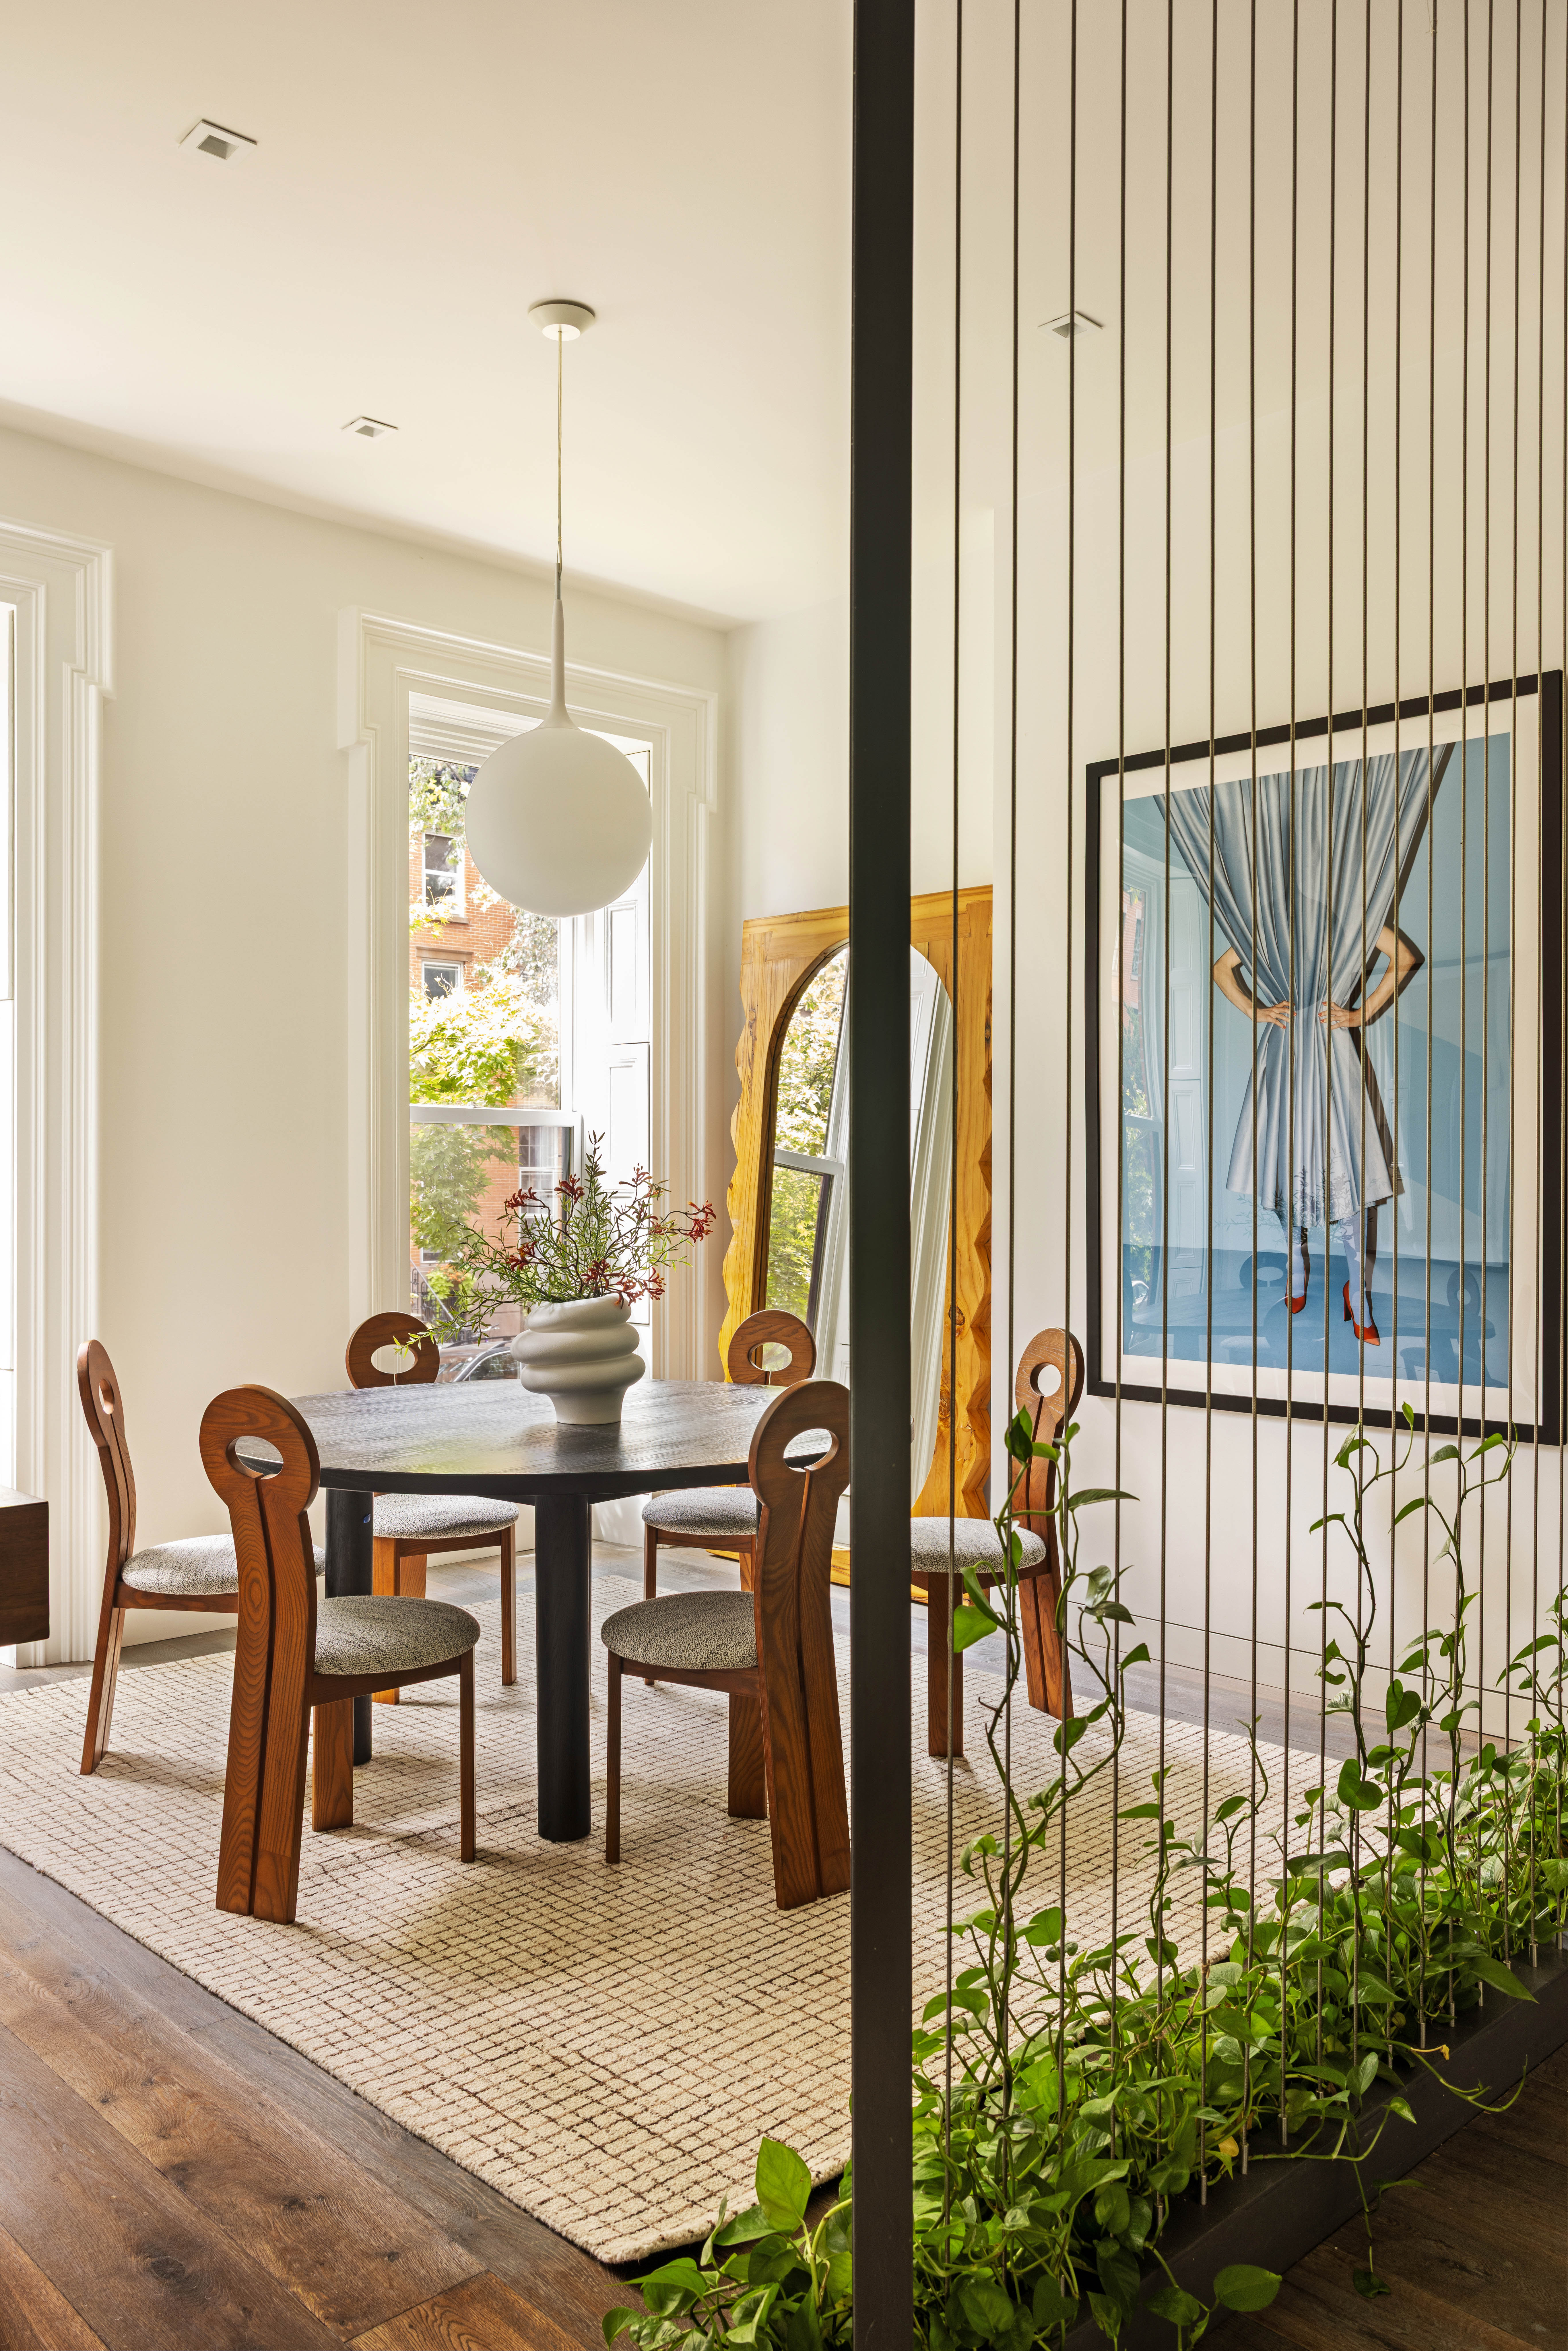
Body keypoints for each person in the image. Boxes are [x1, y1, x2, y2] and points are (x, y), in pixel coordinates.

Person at [1212, 923, 1421, 1345]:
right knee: (1286, 1161)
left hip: (1331, 1055)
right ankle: (1297, 1271)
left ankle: (1357, 1293)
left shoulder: (1353, 911)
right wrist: (1258, 1010)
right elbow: (1222, 970)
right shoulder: (1273, 913)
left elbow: (1406, 960)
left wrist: (1359, 1016)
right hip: (1285, 1053)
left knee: (1349, 1168)